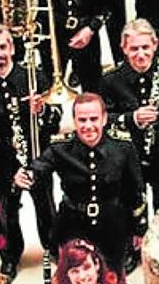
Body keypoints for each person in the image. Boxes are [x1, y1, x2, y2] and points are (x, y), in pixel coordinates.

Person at [17, 92, 146, 273]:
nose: (88, 126)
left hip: (112, 224)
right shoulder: (61, 147)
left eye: (93, 119)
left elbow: (136, 191)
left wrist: (139, 228)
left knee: (113, 280)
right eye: (82, 120)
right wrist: (26, 174)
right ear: (75, 121)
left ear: (104, 119)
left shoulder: (123, 147)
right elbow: (40, 166)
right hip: (73, 225)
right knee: (77, 280)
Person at [0, 24, 57, 275]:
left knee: (46, 206)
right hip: (1, 160)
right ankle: (10, 254)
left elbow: (54, 120)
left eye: (3, 47)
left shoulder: (34, 77)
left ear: (12, 48)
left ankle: (52, 246)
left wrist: (43, 111)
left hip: (36, 154)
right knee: (6, 212)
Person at [99, 20, 159, 214]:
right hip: (127, 156)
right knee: (130, 209)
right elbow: (103, 120)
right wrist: (133, 118)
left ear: (155, 45)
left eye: (146, 47)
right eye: (134, 48)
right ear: (123, 48)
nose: (141, 54)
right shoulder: (111, 80)